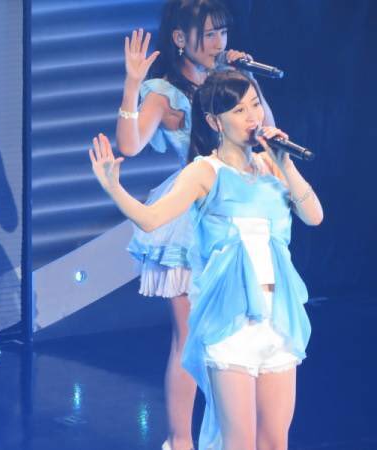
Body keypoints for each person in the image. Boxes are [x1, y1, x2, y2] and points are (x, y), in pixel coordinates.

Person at [91, 70, 323, 450]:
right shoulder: (204, 172)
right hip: (230, 325)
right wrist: (114, 187)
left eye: (254, 106)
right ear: (216, 122)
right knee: (239, 442)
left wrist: (286, 163)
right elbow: (151, 220)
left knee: (275, 441)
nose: (252, 117)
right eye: (239, 110)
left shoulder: (273, 168)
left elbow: (313, 216)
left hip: (278, 319)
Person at [116, 1, 274, 448]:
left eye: (222, 33)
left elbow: (266, 135)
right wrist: (132, 84)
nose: (218, 43)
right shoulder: (166, 91)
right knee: (190, 337)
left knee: (239, 332)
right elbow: (129, 144)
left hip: (237, 213)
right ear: (180, 39)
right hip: (192, 214)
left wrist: (249, 82)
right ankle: (181, 440)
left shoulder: (230, 82)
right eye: (208, 34)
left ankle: (230, 434)